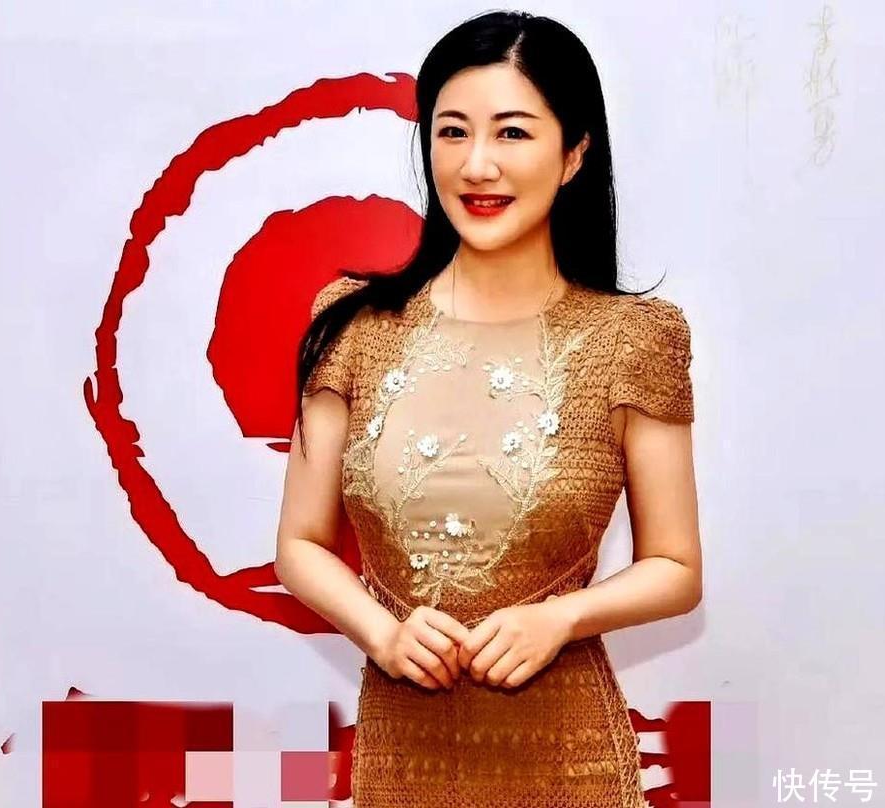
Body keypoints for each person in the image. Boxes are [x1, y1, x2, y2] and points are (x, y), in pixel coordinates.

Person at [273, 10, 702, 807]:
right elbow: (298, 544)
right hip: (403, 758)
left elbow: (675, 569)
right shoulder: (353, 324)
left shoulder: (634, 338)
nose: (476, 165)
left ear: (573, 154)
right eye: (452, 133)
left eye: (511, 133)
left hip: (570, 761)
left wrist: (561, 619)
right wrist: (384, 634)